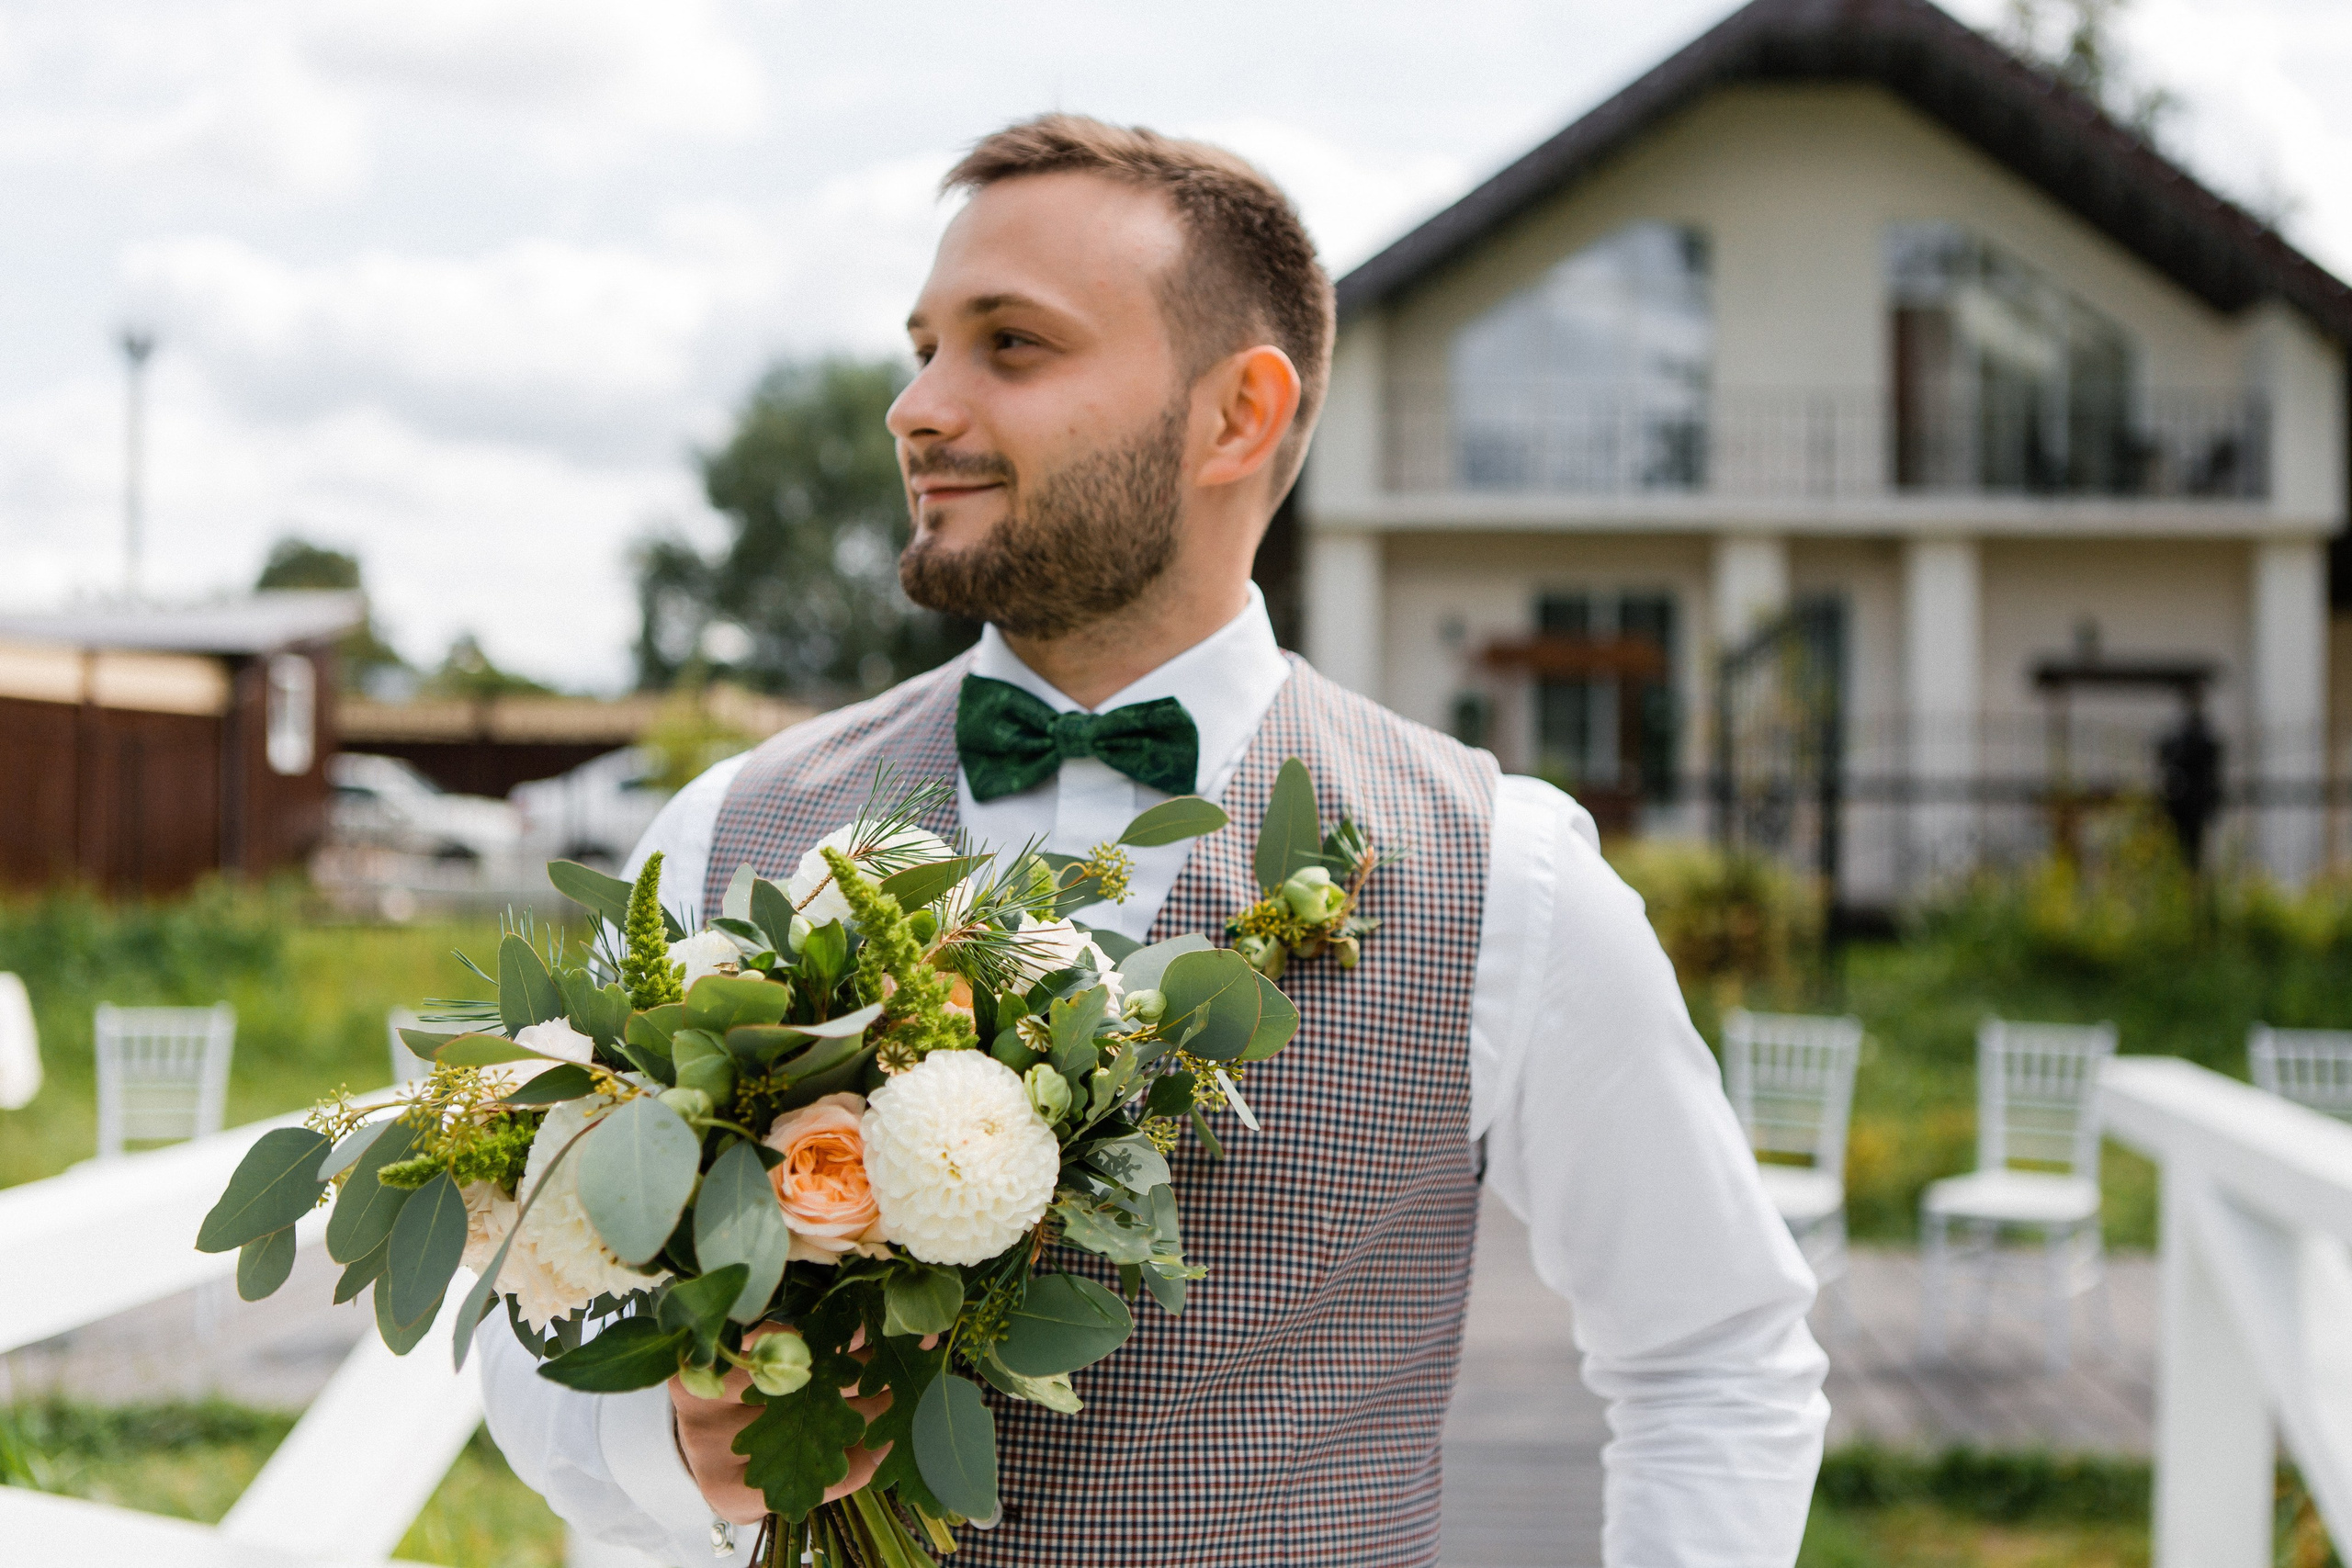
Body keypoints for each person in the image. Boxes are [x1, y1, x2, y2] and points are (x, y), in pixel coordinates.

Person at [478, 114, 1828, 1568]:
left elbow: (1717, 1356)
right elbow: (543, 1310)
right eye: (923, 347)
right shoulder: (727, 831)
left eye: (1010, 345)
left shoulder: (1504, 873)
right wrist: (660, 1442)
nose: (916, 407)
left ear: (1236, 415)